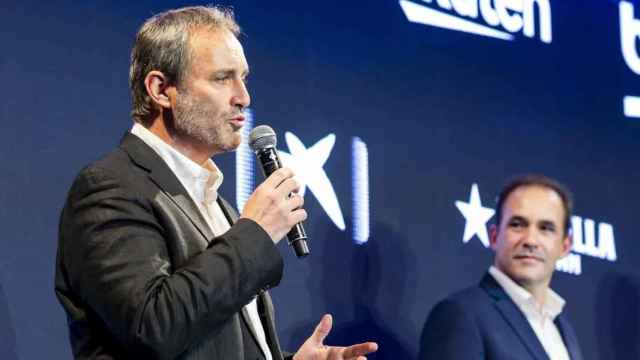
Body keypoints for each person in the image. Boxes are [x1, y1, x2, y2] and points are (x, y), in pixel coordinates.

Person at [54, 6, 377, 360]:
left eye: (244, 78)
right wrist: (254, 232)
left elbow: (207, 341)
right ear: (161, 90)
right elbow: (152, 328)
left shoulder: (216, 205)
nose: (243, 97)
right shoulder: (110, 187)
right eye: (222, 78)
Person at [419, 175, 583, 360]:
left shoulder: (563, 328)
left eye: (546, 228)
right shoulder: (461, 315)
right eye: (517, 225)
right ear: (494, 236)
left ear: (565, 245)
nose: (530, 240)